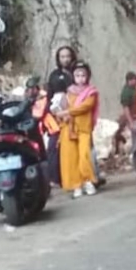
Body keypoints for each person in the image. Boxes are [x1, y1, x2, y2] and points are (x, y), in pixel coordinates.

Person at [60, 61, 100, 199]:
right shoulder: (69, 91)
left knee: (84, 156)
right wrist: (63, 112)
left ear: (87, 76)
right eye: (77, 75)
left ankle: (88, 181)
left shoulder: (91, 92)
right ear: (73, 76)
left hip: (84, 128)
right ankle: (77, 185)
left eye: (83, 75)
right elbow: (62, 107)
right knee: (72, 158)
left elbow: (86, 106)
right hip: (70, 128)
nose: (80, 78)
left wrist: (67, 112)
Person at [45, 45, 76, 186]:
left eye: (68, 56)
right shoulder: (54, 75)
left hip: (75, 114)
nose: (65, 59)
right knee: (53, 146)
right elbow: (49, 96)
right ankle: (54, 177)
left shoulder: (78, 73)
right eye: (62, 57)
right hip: (57, 115)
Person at [116, 71, 136, 154]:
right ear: (129, 80)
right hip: (132, 118)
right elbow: (126, 108)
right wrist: (131, 122)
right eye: (134, 79)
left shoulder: (134, 89)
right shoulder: (126, 92)